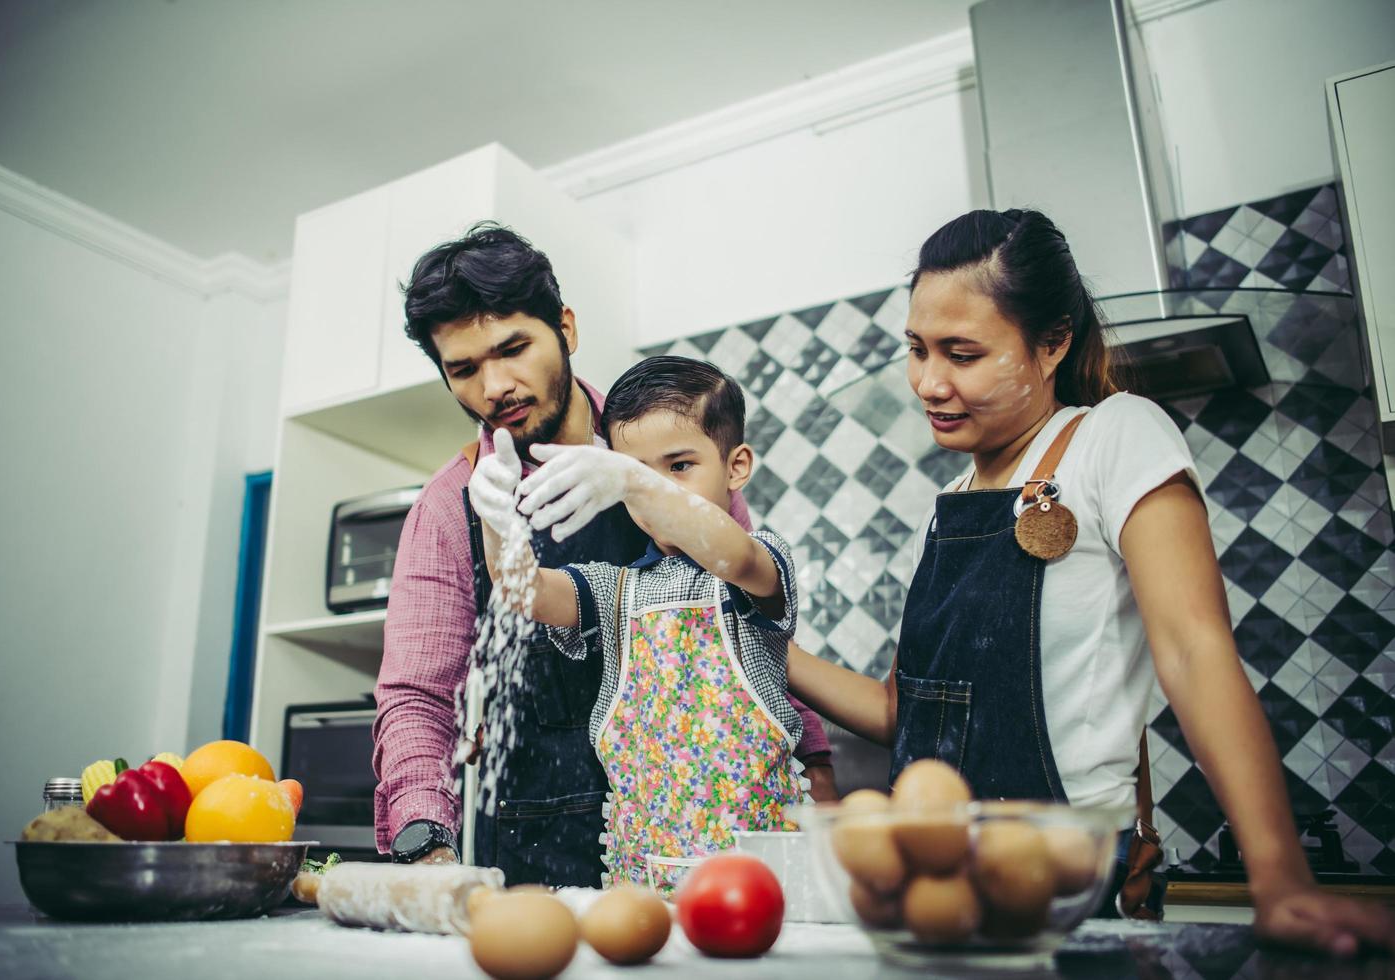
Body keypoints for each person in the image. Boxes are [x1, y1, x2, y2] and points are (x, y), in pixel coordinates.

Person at [787, 209, 1395, 955]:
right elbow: (899, 711)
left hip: (1062, 867)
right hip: (935, 874)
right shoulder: (949, 505)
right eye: (915, 349)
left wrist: (1279, 881)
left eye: (962, 352)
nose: (929, 382)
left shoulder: (1116, 435)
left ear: (1051, 344)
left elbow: (1193, 652)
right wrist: (758, 644)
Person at [373, 224, 835, 885]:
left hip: (717, 831)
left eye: (513, 348)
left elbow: (747, 614)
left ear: (564, 327)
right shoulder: (450, 506)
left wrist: (815, 769)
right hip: (540, 839)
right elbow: (418, 695)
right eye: (464, 368)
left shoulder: (664, 450)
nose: (495, 385)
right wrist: (425, 847)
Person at [468, 356, 806, 892]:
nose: (655, 490)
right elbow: (520, 589)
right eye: (636, 474)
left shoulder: (755, 569)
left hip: (756, 892)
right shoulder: (617, 590)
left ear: (736, 466)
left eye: (679, 466)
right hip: (640, 890)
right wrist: (496, 522)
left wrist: (637, 482)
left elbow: (734, 557)